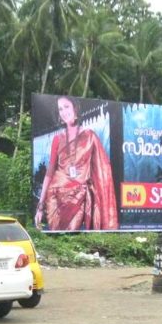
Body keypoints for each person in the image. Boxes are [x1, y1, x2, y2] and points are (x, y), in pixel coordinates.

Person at [34, 96, 119, 231]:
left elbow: (102, 168)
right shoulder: (57, 139)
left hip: (78, 195)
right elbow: (49, 173)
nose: (63, 111)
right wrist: (40, 206)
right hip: (55, 196)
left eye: (66, 106)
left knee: (71, 235)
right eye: (60, 109)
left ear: (75, 108)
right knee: (58, 239)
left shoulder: (89, 136)